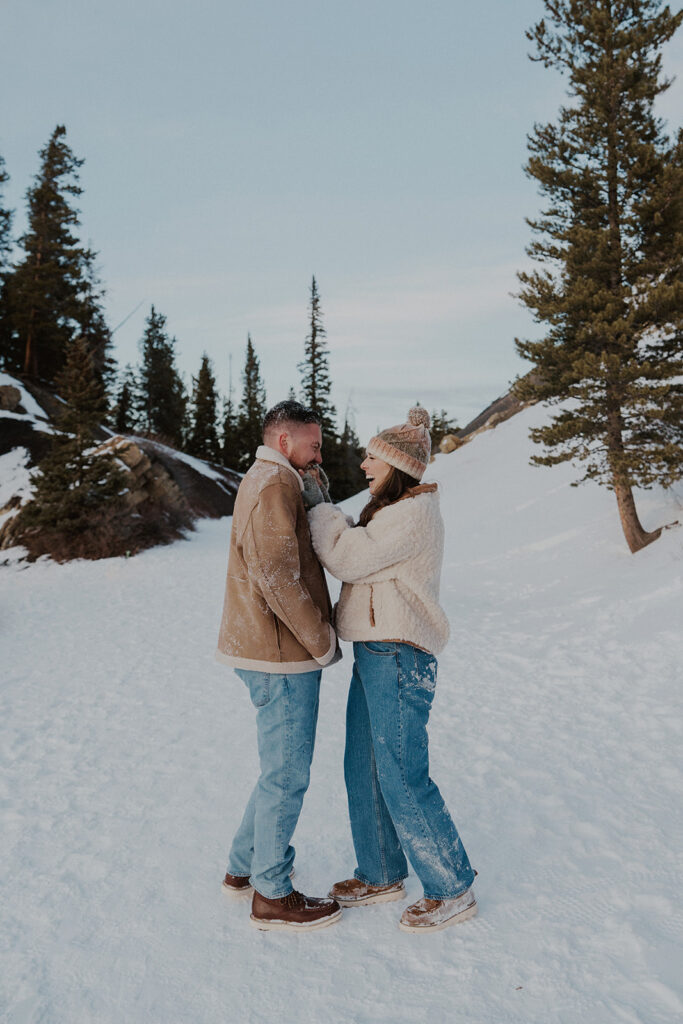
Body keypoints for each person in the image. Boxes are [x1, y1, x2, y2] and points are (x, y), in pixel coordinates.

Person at [307, 407, 477, 932]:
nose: (362, 465)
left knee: (401, 772)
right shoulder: (392, 508)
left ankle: (452, 887)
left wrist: (320, 506)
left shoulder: (413, 514)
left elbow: (346, 557)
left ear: (397, 463)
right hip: (375, 650)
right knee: (364, 765)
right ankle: (381, 871)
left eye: (371, 457)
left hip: (400, 653)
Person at [215, 400, 342, 932]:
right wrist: (322, 642)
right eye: (313, 445)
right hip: (282, 655)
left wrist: (316, 491)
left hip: (269, 650)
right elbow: (277, 577)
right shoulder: (274, 485)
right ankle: (271, 892)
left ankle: (243, 868)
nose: (321, 453)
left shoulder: (280, 480)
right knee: (287, 775)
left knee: (276, 770)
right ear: (285, 442)